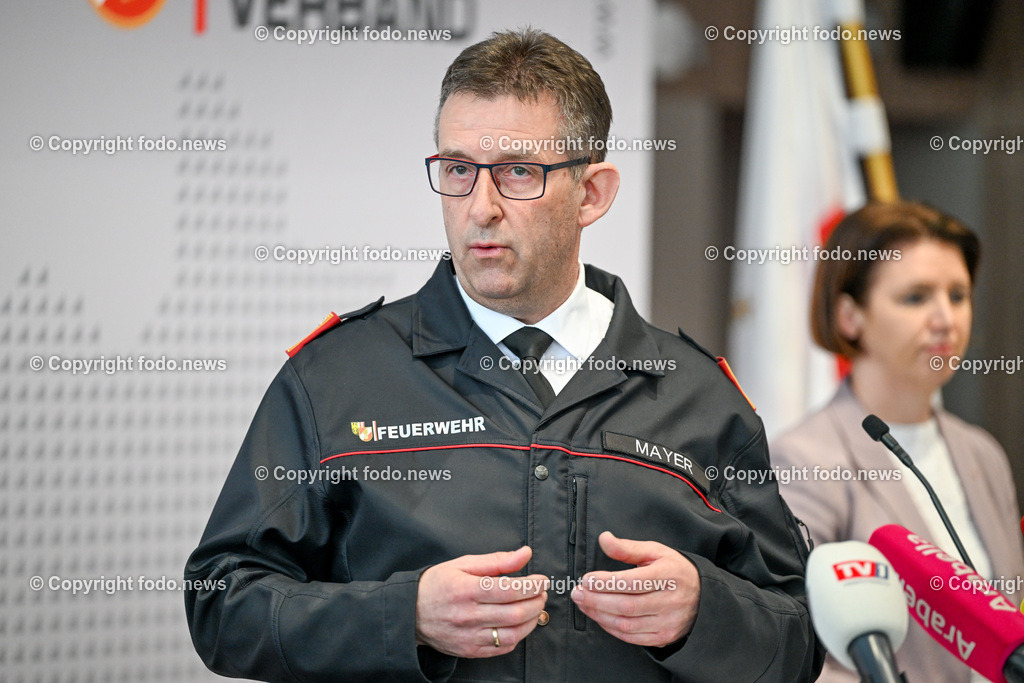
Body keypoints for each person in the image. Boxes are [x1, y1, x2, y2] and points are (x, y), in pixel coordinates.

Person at [185, 28, 823, 681]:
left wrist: (703, 614)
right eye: (459, 170)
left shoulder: (697, 395)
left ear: (592, 193)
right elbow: (221, 603)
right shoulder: (334, 378)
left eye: (518, 172)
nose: (480, 209)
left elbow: (800, 641)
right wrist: (402, 616)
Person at [771, 201, 1024, 682]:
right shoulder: (805, 458)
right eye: (916, 298)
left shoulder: (983, 453)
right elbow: (797, 651)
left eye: (957, 295)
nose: (946, 319)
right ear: (850, 317)